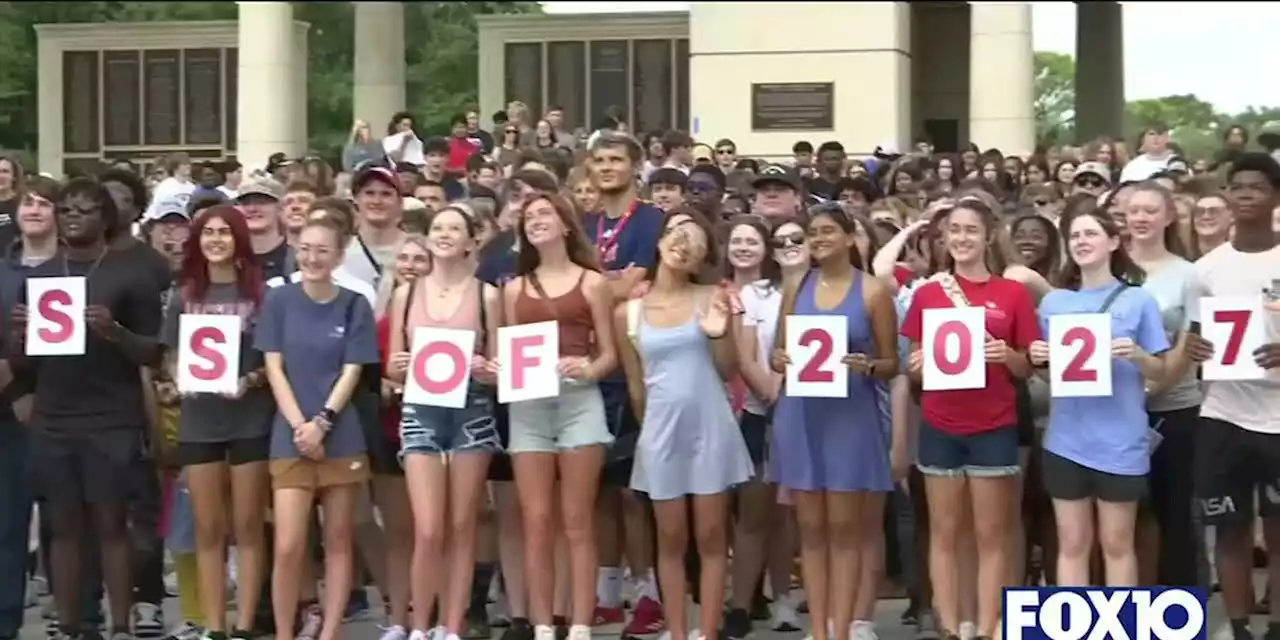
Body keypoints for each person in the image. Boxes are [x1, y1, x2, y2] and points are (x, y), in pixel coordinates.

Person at [9, 178, 165, 640]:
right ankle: (72, 624)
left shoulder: (129, 274)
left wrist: (115, 332)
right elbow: (24, 365)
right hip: (55, 416)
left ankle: (120, 624)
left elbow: (153, 353)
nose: (74, 215)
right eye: (67, 208)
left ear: (105, 217)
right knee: (63, 526)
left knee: (111, 525)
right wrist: (19, 339)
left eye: (85, 209)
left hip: (111, 416)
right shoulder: (37, 279)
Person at [901, 196, 1039, 640]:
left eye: (971, 230)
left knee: (992, 534)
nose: (962, 238)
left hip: (995, 424)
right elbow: (911, 364)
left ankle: (988, 626)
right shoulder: (927, 293)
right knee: (944, 532)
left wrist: (1010, 356)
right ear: (944, 238)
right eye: (954, 230)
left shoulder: (1012, 293)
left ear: (988, 236)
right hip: (940, 423)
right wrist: (917, 364)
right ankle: (949, 625)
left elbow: (1029, 365)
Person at [617, 212, 752, 640]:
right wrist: (650, 433)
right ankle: (677, 632)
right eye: (677, 234)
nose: (683, 242)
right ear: (659, 243)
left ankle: (707, 632)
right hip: (660, 430)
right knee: (670, 539)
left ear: (701, 259)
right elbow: (636, 386)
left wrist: (718, 333)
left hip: (710, 426)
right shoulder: (630, 311)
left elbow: (731, 370)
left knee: (712, 537)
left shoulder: (713, 295)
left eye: (694, 241)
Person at [770, 206, 903, 640]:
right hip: (802, 415)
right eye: (813, 233)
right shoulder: (797, 286)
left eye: (828, 231)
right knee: (810, 531)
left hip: (850, 419)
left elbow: (891, 364)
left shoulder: (873, 292)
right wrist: (781, 358)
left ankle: (842, 629)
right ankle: (822, 631)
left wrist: (867, 366)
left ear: (851, 238)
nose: (819, 238)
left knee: (844, 531)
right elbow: (777, 352)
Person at [254, 215, 381, 640]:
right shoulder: (278, 300)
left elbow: (353, 369)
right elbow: (273, 366)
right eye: (305, 248)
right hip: (290, 435)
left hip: (340, 433)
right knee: (289, 544)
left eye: (322, 250)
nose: (312, 257)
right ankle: (286, 631)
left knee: (339, 539)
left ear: (339, 254)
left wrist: (323, 421)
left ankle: (329, 631)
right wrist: (300, 425)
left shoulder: (354, 302)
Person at [1030, 207, 1169, 586]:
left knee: (1117, 544)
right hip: (1065, 439)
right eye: (1075, 236)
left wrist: (1137, 354)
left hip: (1121, 441)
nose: (1082, 242)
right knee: (1072, 544)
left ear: (1112, 243)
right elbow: (1048, 372)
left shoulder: (1138, 301)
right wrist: (1038, 359)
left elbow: (1160, 368)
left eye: (1091, 233)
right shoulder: (1053, 303)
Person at [503, 193, 617, 640]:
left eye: (544, 214)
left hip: (577, 400)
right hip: (528, 405)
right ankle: (544, 623)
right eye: (528, 217)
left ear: (566, 224)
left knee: (576, 518)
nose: (536, 221)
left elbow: (609, 354)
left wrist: (588, 368)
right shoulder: (513, 290)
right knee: (535, 519)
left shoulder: (592, 283)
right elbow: (504, 354)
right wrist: (492, 369)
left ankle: (582, 625)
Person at [386, 207, 502, 640]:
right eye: (438, 228)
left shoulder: (488, 297)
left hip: (471, 410)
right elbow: (393, 370)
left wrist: (487, 369)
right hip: (420, 408)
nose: (445, 235)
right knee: (429, 526)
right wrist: (399, 364)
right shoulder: (406, 295)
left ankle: (451, 627)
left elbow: (499, 366)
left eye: (455, 228)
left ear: (472, 241)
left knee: (461, 525)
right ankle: (419, 627)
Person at [161, 205, 273, 639]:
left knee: (247, 525)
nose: (216, 240)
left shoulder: (262, 295)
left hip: (249, 420)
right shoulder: (184, 295)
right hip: (200, 422)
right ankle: (214, 625)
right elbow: (170, 356)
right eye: (208, 232)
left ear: (239, 240)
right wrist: (176, 380)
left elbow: (273, 361)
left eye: (225, 232)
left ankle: (243, 623)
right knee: (208, 527)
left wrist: (249, 380)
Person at [1184, 153, 1280, 640]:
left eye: (1257, 187)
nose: (1245, 195)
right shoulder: (1206, 269)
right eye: (1237, 186)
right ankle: (1239, 626)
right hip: (1222, 415)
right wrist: (1196, 348)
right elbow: (1197, 340)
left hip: (1279, 419)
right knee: (1229, 527)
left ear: (1275, 196)